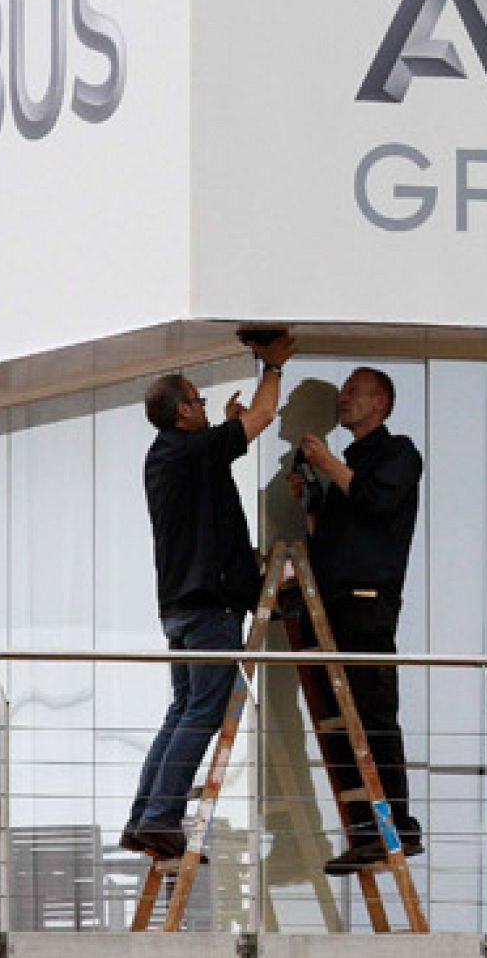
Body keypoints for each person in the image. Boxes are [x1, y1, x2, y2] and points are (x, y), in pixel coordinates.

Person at [121, 332, 295, 861]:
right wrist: (273, 366)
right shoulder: (192, 450)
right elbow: (262, 418)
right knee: (202, 711)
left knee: (181, 710)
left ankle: (144, 818)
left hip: (179, 607)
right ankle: (158, 817)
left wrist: (223, 424)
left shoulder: (170, 455)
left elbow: (224, 446)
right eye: (196, 400)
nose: (202, 406)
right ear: (181, 413)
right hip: (209, 606)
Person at [294, 367, 424, 873]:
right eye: (343, 393)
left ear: (382, 403)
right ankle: (366, 831)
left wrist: (325, 462)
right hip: (333, 605)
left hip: (367, 603)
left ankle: (397, 827)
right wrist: (312, 505)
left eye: (354, 393)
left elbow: (376, 501)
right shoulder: (347, 463)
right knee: (343, 721)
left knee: (372, 714)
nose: (344, 400)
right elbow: (338, 533)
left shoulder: (399, 454)